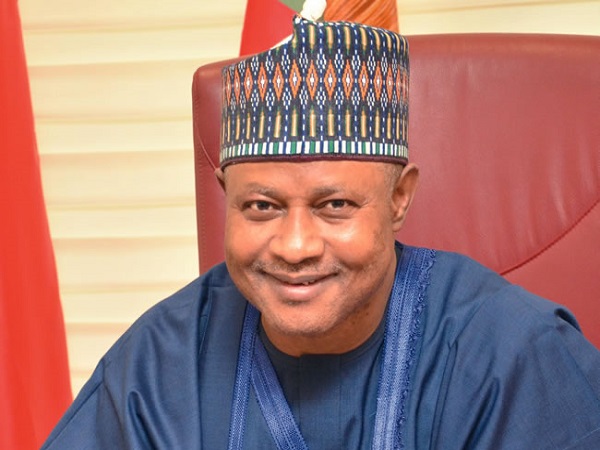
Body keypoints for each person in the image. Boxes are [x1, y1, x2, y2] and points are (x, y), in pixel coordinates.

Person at [42, 16, 600, 449]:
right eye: (261, 207)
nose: (295, 246)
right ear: (225, 196)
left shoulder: (513, 357)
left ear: (399, 199)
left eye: (335, 206)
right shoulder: (161, 365)